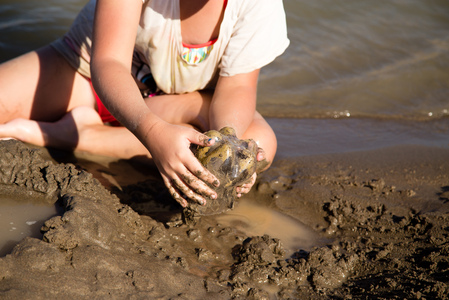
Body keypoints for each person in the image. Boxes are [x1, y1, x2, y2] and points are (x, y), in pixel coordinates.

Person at [0, 0, 289, 208]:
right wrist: (151, 131)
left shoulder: (258, 5)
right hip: (89, 73)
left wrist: (227, 149)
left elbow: (237, 87)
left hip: (171, 106)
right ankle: (86, 132)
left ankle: (83, 135)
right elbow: (109, 62)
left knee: (259, 141)